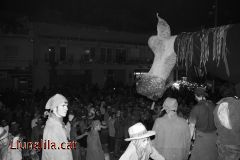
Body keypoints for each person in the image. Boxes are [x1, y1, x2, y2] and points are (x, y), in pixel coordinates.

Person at [42, 94, 73, 160]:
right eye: (63, 106)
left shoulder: (59, 123)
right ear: (54, 108)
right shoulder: (52, 128)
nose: (67, 108)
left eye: (66, 106)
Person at [189, 87, 217, 160]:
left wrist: (188, 142)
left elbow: (191, 128)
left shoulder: (196, 108)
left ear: (196, 95)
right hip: (214, 139)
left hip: (201, 139)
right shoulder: (213, 105)